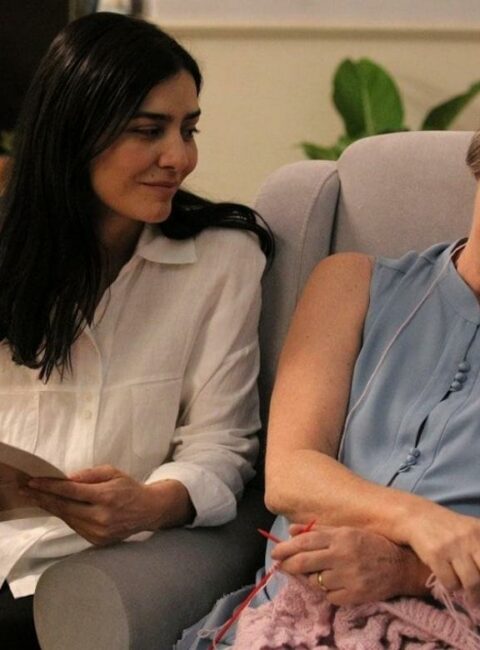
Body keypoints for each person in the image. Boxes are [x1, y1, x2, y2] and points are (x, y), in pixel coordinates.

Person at [0, 11, 273, 648]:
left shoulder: (223, 259)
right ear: (75, 133)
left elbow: (223, 444)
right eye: (149, 131)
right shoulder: (8, 252)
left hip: (93, 572)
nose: (179, 157)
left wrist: (151, 504)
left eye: (188, 129)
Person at [179, 132, 480, 649]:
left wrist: (408, 570)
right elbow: (290, 476)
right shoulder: (351, 282)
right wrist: (419, 520)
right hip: (281, 623)